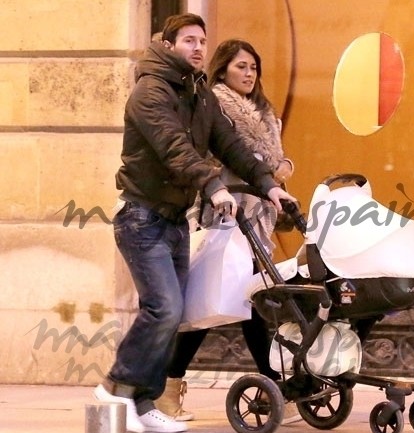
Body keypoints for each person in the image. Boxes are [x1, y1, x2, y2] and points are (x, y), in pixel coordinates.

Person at [92, 15, 295, 433]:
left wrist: (267, 185)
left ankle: (144, 401)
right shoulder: (150, 92)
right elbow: (175, 148)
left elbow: (232, 145)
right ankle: (117, 388)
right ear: (168, 45)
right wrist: (214, 185)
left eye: (203, 40)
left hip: (172, 222)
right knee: (163, 307)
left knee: (175, 311)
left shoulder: (200, 95)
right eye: (189, 40)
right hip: (141, 217)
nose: (199, 47)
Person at [154, 39, 301, 425]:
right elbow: (221, 155)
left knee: (233, 300)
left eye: (254, 67)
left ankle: (172, 386)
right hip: (226, 213)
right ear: (223, 70)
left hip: (255, 215)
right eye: (241, 66)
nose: (249, 73)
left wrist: (277, 170)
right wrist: (270, 170)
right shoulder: (214, 103)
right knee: (233, 301)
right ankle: (269, 386)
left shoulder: (264, 111)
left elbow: (269, 159)